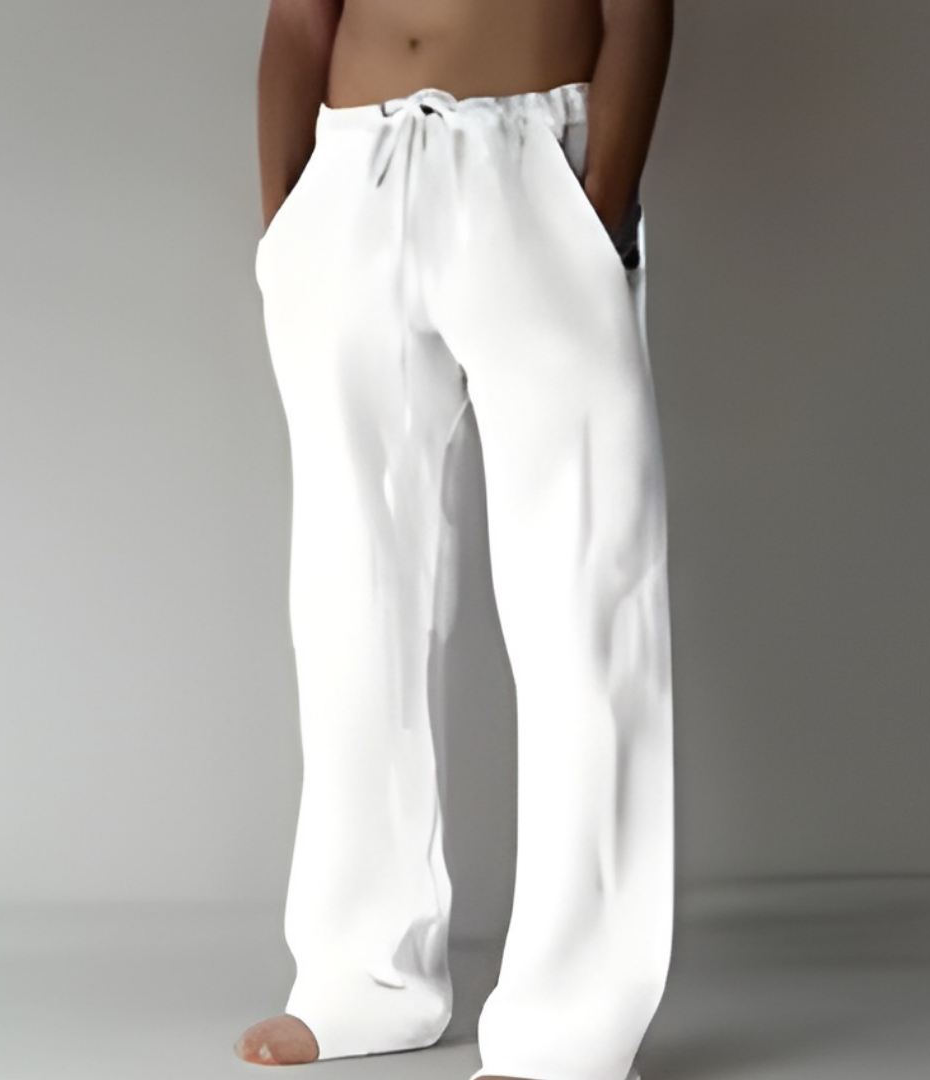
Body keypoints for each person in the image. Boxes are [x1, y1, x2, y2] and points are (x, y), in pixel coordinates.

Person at [235, 4, 676, 1080]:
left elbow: (639, 10)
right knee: (348, 602)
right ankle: (361, 981)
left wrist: (597, 206)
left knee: (585, 600)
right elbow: (300, 18)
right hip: (353, 175)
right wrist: (285, 224)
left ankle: (570, 1028)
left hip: (532, 166)